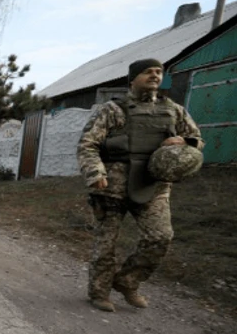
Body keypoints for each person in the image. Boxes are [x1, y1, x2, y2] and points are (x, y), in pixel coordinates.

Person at [77, 58, 203, 313]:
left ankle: (127, 281)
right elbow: (87, 144)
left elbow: (198, 140)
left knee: (161, 237)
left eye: (159, 72)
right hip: (111, 186)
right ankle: (99, 292)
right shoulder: (113, 110)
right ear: (132, 79)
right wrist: (95, 173)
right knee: (106, 244)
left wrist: (183, 141)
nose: (155, 76)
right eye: (148, 72)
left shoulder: (174, 110)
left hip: (153, 186)